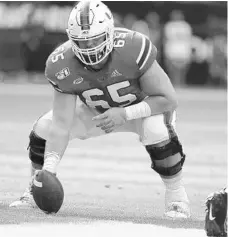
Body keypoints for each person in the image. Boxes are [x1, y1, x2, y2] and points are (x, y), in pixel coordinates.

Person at [10, 0, 190, 219]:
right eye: (82, 42)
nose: (89, 47)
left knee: (157, 130)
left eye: (95, 39)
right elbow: (61, 124)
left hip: (141, 110)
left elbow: (168, 99)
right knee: (44, 128)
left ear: (110, 33)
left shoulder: (133, 47)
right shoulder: (61, 63)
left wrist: (125, 113)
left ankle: (177, 198)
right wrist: (49, 169)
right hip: (95, 112)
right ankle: (33, 190)